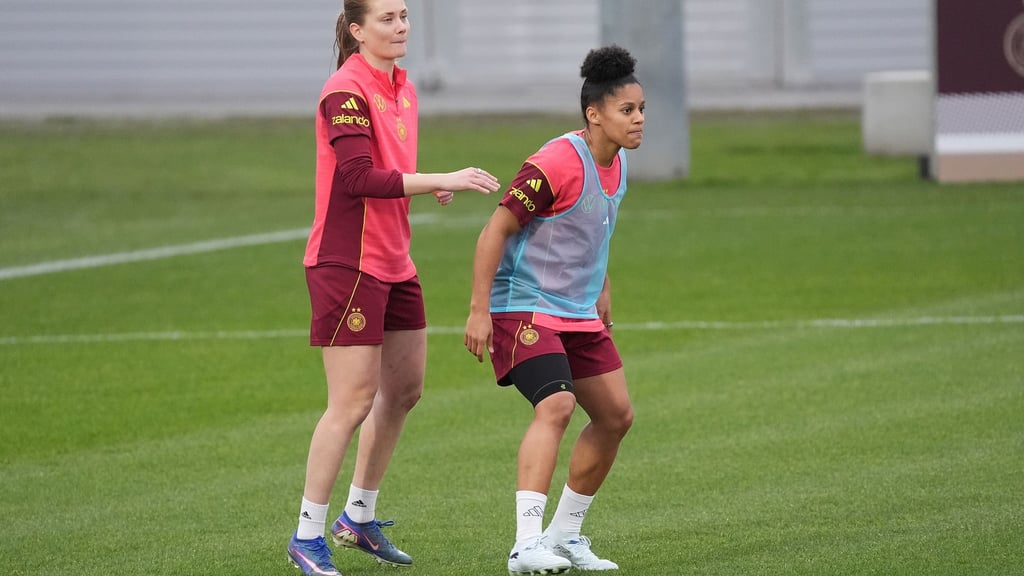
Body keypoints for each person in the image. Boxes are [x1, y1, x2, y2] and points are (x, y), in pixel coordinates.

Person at [287, 1, 501, 575]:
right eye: (386, 18)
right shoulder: (344, 90)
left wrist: (426, 186)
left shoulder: (403, 88)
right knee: (352, 401)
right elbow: (356, 178)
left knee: (404, 389)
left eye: (404, 15)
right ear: (357, 30)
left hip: (395, 262)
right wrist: (441, 179)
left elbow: (389, 167)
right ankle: (307, 537)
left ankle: (358, 518)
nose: (401, 26)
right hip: (346, 263)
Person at [464, 45, 643, 575]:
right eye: (626, 110)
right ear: (595, 114)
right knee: (557, 406)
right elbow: (496, 228)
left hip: (578, 311)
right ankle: (525, 546)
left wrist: (602, 285)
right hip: (524, 307)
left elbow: (592, 229)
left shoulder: (619, 163)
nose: (638, 120)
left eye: (640, 109)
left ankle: (564, 536)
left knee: (615, 416)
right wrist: (479, 310)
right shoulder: (555, 162)